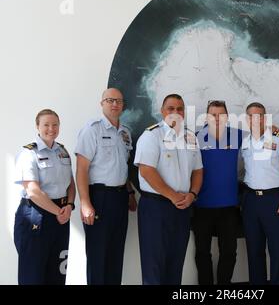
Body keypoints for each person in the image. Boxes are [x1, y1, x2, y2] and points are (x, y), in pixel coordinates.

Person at [134, 93, 203, 285]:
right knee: (153, 266)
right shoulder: (152, 135)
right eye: (171, 108)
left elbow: (198, 171)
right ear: (162, 111)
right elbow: (147, 170)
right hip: (156, 207)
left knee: (176, 262)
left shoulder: (190, 137)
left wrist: (192, 194)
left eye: (179, 108)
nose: (175, 112)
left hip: (182, 207)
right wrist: (173, 196)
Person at [75, 88, 137, 285]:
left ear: (123, 105)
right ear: (102, 104)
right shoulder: (92, 130)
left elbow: (123, 167)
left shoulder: (125, 133)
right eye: (110, 100)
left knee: (116, 253)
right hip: (99, 198)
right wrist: (85, 203)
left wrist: (129, 192)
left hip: (119, 198)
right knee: (97, 255)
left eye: (118, 101)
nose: (114, 104)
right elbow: (81, 170)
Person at [240, 102, 279, 285]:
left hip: (274, 199)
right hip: (251, 201)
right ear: (247, 119)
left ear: (265, 118)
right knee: (254, 250)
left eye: (259, 115)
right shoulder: (244, 142)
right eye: (251, 116)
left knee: (277, 250)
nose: (255, 119)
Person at [14, 109, 76, 285]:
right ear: (37, 126)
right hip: (36, 215)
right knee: (33, 276)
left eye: (55, 124)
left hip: (61, 216)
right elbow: (33, 191)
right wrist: (59, 211)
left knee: (57, 273)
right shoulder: (28, 153)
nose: (51, 128)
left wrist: (69, 205)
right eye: (46, 125)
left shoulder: (63, 152)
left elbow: (70, 184)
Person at [193, 100, 243, 285]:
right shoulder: (195, 138)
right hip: (202, 205)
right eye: (213, 114)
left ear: (227, 117)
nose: (217, 118)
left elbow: (260, 136)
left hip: (229, 206)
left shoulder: (238, 136)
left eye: (221, 114)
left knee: (229, 252)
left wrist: (274, 129)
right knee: (202, 252)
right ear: (206, 117)